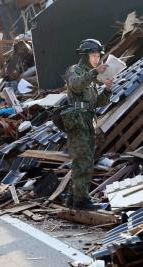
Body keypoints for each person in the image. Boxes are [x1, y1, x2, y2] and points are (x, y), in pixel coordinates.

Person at [62, 39, 113, 210]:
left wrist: (107, 90)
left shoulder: (91, 76)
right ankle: (82, 201)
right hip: (77, 121)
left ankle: (72, 199)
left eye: (98, 56)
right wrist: (94, 73)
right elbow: (76, 86)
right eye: (93, 56)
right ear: (85, 56)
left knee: (84, 160)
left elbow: (95, 102)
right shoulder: (75, 71)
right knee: (83, 161)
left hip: (87, 120)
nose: (96, 59)